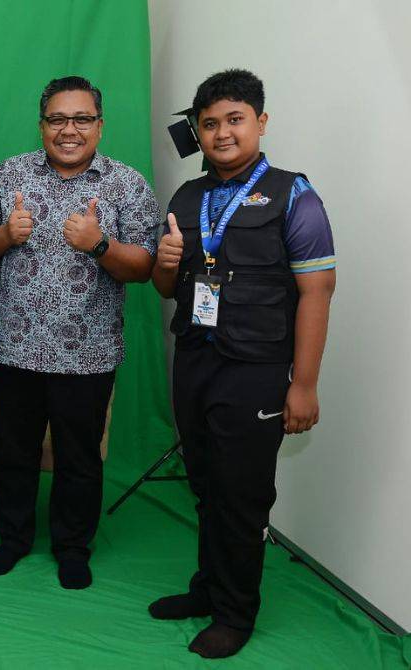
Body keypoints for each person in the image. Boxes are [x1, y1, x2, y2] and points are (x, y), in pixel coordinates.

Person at [149, 69, 336, 659]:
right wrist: (164, 259)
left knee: (242, 492)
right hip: (196, 360)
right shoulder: (187, 197)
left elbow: (318, 291)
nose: (222, 133)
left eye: (234, 120)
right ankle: (207, 589)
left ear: (260, 121)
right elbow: (162, 286)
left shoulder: (293, 195)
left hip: (256, 367)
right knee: (205, 483)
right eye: (209, 124)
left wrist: (302, 384)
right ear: (198, 133)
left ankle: (236, 613)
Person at [0, 76, 161, 589]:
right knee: (14, 452)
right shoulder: (10, 173)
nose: (69, 130)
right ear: (42, 125)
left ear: (99, 126)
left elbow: (144, 267)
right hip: (14, 347)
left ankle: (73, 547)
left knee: (79, 459)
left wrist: (100, 244)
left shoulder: (126, 183)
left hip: (89, 353)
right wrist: (6, 234)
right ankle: (13, 539)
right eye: (58, 119)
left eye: (81, 119)